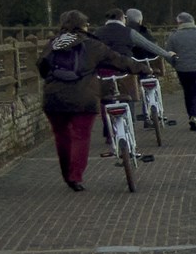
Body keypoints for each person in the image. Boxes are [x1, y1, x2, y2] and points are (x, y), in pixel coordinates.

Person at [36, 12, 130, 190]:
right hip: (84, 98)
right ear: (83, 26)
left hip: (54, 97)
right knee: (81, 136)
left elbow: (41, 66)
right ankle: (75, 176)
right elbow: (119, 61)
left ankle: (67, 174)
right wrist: (145, 69)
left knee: (62, 136)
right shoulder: (92, 44)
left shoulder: (53, 44)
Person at [162, 12, 196, 129]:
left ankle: (191, 115)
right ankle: (195, 116)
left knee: (188, 93)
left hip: (183, 69)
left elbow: (167, 54)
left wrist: (175, 64)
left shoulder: (174, 36)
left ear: (179, 23)